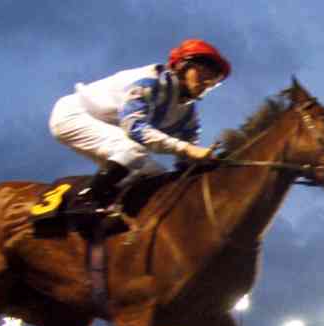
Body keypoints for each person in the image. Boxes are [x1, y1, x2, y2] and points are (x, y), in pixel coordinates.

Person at [48, 38, 230, 218]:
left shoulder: (189, 115)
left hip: (108, 127)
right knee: (132, 150)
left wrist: (208, 163)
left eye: (213, 80)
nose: (207, 82)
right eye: (203, 72)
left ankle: (111, 211)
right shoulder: (149, 81)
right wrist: (188, 149)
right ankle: (84, 201)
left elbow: (185, 163)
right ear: (182, 66)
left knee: (156, 174)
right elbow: (135, 129)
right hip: (73, 115)